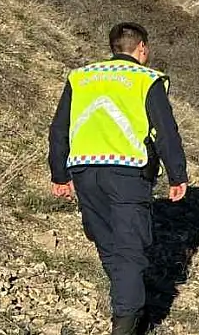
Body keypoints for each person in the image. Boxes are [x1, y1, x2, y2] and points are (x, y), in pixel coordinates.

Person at [48, 22, 188, 335]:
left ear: (113, 47)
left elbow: (59, 128)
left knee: (108, 243)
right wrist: (178, 175)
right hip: (127, 171)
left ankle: (127, 303)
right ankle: (126, 321)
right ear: (142, 48)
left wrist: (59, 173)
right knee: (128, 248)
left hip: (84, 170)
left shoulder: (81, 77)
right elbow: (166, 132)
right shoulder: (146, 79)